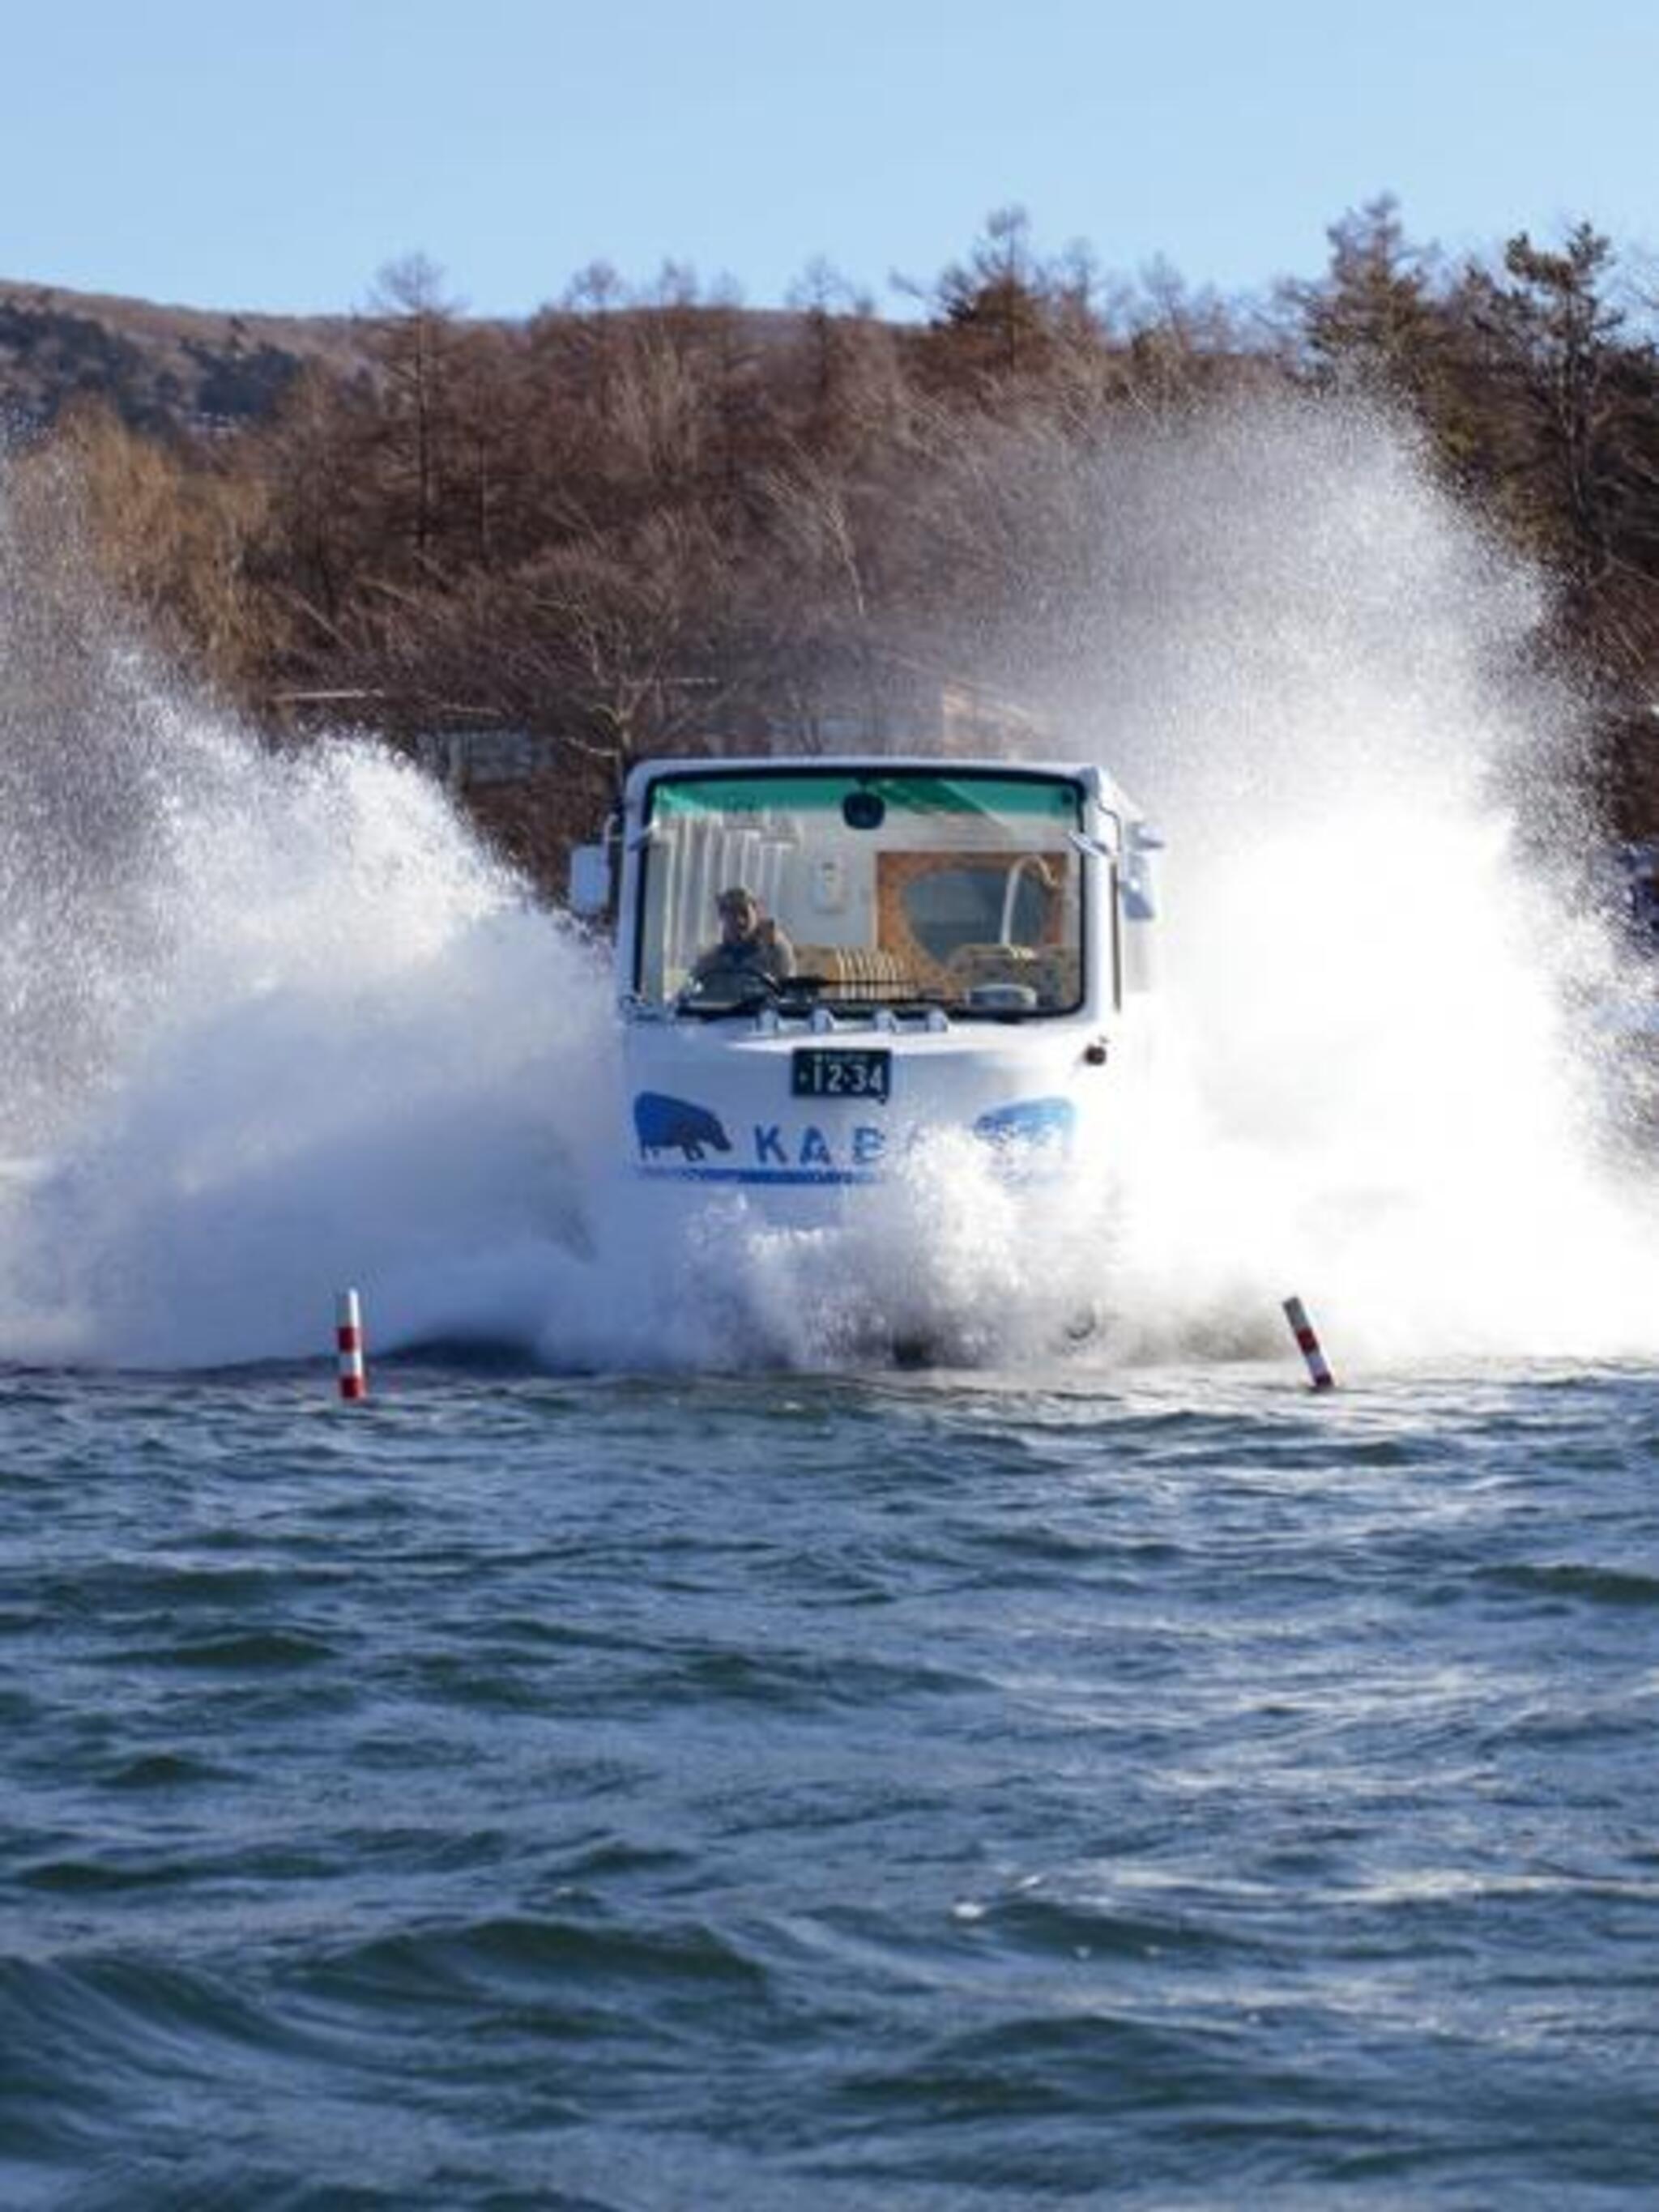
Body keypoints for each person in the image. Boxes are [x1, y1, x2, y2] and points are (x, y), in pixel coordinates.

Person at [692, 884, 795, 987]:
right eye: (732, 914)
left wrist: (773, 947)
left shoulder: (773, 950)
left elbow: (785, 983)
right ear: (722, 917)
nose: (740, 921)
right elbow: (693, 987)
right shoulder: (713, 958)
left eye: (745, 913)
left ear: (756, 914)